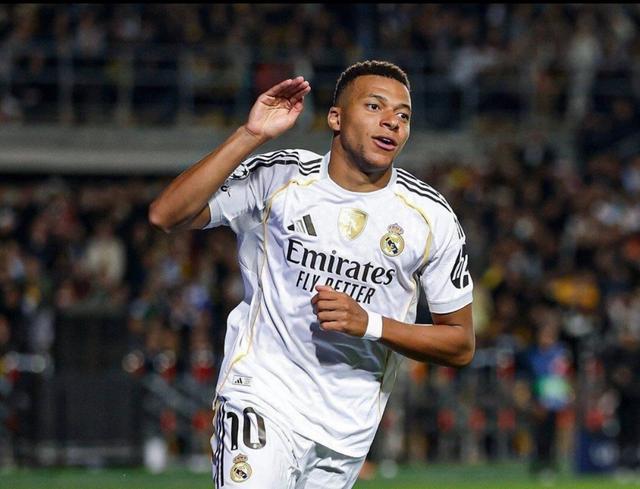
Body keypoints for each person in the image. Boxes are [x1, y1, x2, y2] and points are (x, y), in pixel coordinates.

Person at [149, 60, 474, 488]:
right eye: (374, 106)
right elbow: (166, 214)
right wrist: (251, 135)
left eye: (404, 115)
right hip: (262, 396)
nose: (392, 121)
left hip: (346, 431)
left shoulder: (430, 218)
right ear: (336, 118)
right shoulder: (280, 177)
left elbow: (460, 343)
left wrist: (369, 324)